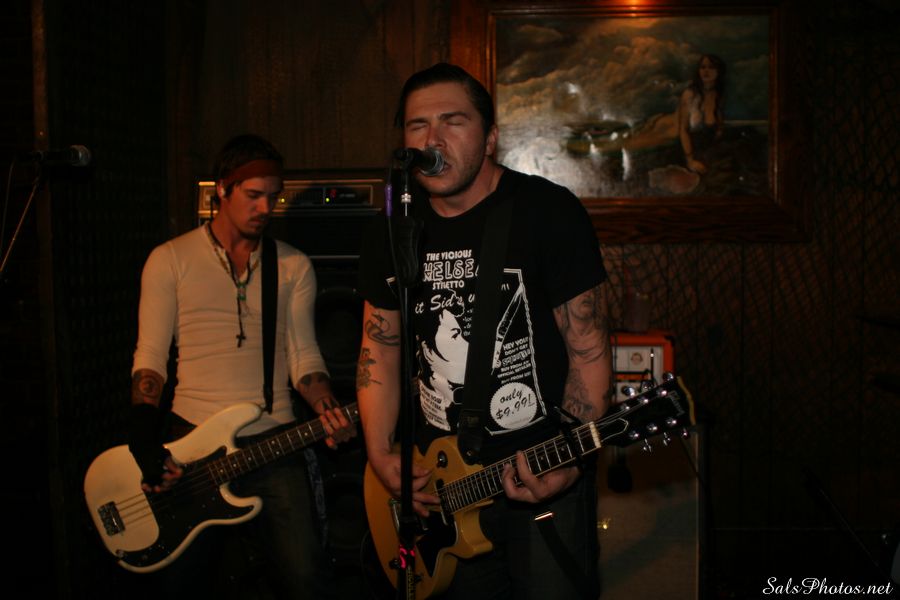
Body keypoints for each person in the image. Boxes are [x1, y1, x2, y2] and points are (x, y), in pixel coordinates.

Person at [356, 63, 613, 599]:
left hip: (539, 472)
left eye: (453, 121)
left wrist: (571, 459)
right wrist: (380, 453)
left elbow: (588, 349)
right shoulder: (394, 229)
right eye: (418, 125)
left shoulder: (546, 212)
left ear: (490, 137)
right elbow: (379, 347)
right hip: (439, 487)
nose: (432, 139)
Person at [128, 133, 355, 597]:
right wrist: (144, 437)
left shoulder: (292, 266)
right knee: (180, 583)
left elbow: (304, 357)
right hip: (191, 446)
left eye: (274, 197)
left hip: (273, 440)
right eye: (253, 195)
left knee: (307, 578)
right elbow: (150, 358)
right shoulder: (169, 260)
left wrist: (327, 406)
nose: (265, 208)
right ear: (222, 190)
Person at [677, 54, 727, 174]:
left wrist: (719, 133)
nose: (706, 71)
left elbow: (719, 127)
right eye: (703, 67)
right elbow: (683, 130)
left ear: (719, 71)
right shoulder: (690, 95)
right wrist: (690, 160)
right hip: (692, 152)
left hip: (711, 150)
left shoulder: (717, 94)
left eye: (711, 67)